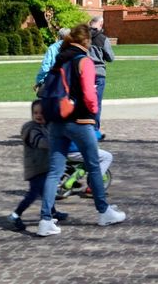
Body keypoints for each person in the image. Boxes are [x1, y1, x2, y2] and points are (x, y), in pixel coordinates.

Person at [36, 24, 126, 236]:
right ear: (87, 41)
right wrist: (93, 112)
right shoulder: (83, 61)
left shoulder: (60, 59)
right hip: (79, 119)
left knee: (55, 171)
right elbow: (89, 94)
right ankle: (103, 211)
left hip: (56, 120)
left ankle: (45, 219)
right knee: (94, 164)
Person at [9, 100, 69, 230]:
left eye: (42, 113)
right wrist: (57, 143)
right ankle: (16, 214)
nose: (38, 115)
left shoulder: (46, 126)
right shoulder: (31, 129)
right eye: (35, 113)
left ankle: (53, 212)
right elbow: (40, 142)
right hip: (35, 168)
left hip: (44, 166)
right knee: (33, 193)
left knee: (46, 191)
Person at [88, 16, 115, 139]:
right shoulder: (103, 38)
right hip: (99, 73)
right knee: (96, 103)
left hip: (85, 72)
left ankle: (85, 127)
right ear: (101, 24)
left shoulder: (83, 37)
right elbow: (111, 57)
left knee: (84, 101)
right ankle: (95, 129)